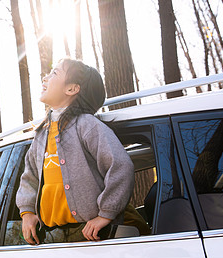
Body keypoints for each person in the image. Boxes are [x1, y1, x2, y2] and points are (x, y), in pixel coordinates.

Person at [16, 58, 135, 245]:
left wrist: (106, 214)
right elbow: (29, 177)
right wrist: (28, 212)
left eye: (54, 73)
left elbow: (120, 166)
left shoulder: (86, 125)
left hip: (89, 233)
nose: (45, 78)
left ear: (71, 89)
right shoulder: (41, 134)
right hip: (51, 235)